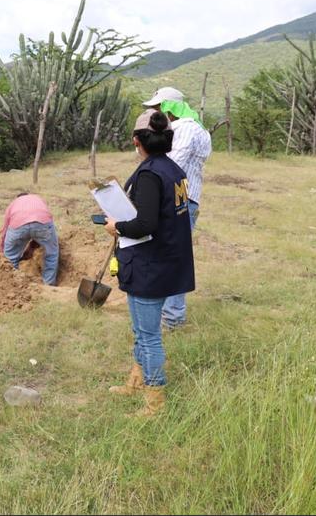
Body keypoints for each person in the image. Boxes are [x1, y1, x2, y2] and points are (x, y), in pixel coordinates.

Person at [104, 109, 195, 417]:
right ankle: (136, 379)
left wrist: (116, 226)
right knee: (142, 331)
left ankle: (154, 402)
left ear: (136, 141)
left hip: (150, 266)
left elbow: (145, 224)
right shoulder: (174, 170)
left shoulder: (148, 175)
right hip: (170, 262)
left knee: (149, 335)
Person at [142, 87, 211, 329]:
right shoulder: (195, 127)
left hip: (178, 200)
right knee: (168, 255)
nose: (156, 114)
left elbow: (171, 165)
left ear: (169, 108)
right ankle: (166, 312)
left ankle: (172, 319)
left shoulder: (185, 129)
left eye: (159, 108)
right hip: (183, 199)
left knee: (172, 258)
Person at [0, 193, 59, 285]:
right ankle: (49, 285)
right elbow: (46, 219)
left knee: (10, 257)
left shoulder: (13, 203)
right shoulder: (38, 198)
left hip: (18, 224)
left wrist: (3, 249)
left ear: (18, 198)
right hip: (42, 223)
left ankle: (12, 284)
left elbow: (5, 228)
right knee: (51, 254)